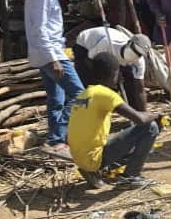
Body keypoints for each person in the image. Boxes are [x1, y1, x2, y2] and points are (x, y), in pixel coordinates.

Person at [68, 52, 160, 189]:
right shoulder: (106, 94)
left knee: (145, 144)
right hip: (93, 158)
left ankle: (94, 170)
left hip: (79, 157)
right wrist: (156, 115)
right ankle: (130, 176)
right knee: (151, 127)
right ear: (114, 73)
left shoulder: (84, 94)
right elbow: (140, 119)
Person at [24, 0, 85, 158]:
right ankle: (57, 138)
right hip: (50, 53)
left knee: (56, 98)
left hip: (48, 51)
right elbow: (39, 29)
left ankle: (56, 141)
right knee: (79, 94)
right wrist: (54, 59)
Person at [74, 27, 152, 111]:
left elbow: (140, 89)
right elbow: (92, 62)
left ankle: (134, 111)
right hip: (86, 46)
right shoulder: (108, 44)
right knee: (90, 79)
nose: (136, 55)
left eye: (139, 54)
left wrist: (144, 114)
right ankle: (88, 109)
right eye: (135, 50)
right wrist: (114, 76)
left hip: (109, 55)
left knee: (130, 80)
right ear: (129, 44)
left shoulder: (139, 62)